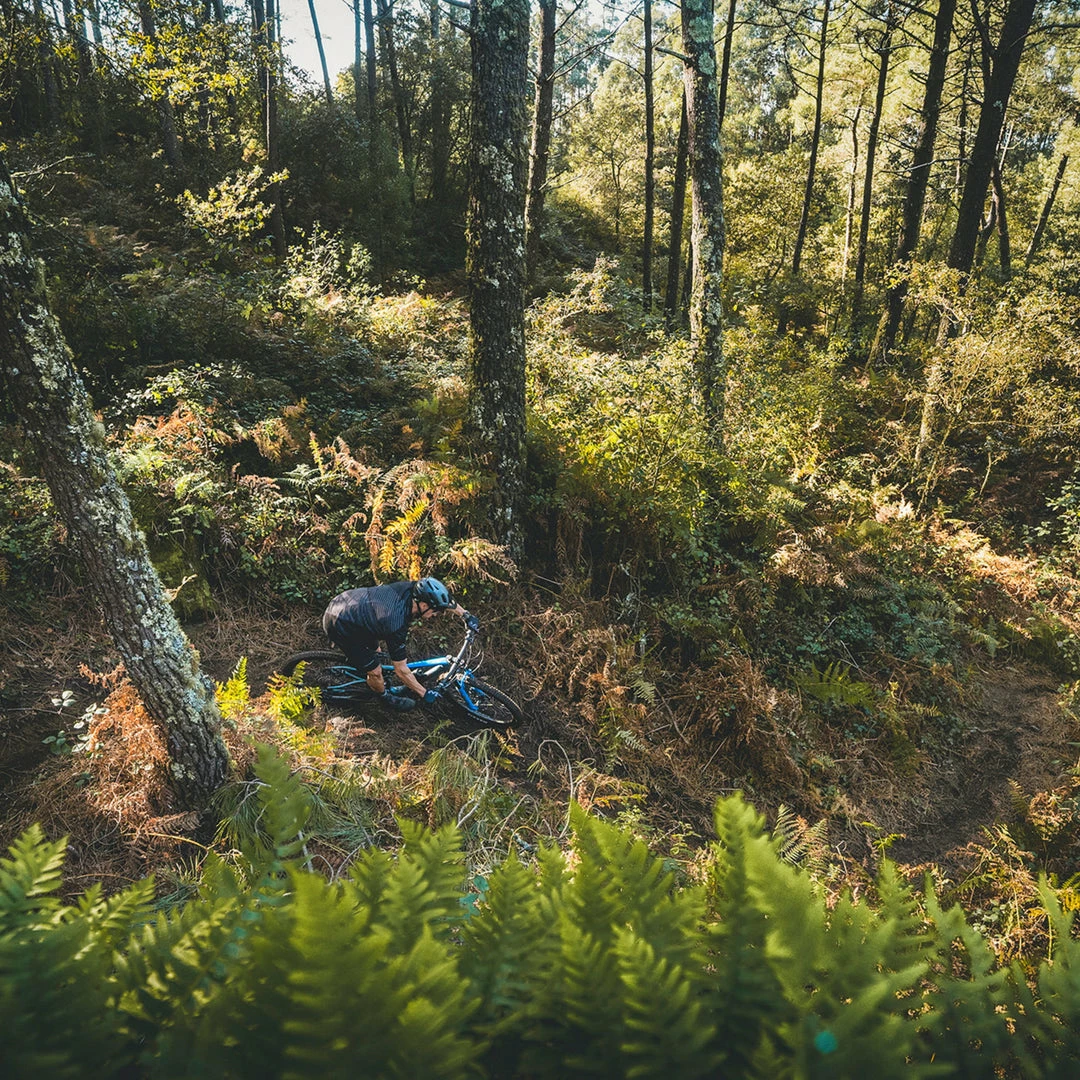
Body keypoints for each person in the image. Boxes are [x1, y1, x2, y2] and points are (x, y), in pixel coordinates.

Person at [321, 576, 479, 712]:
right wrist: (424, 693)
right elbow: (401, 670)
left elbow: (441, 600)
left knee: (377, 650)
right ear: (424, 606)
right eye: (435, 611)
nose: (436, 615)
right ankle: (384, 697)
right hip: (340, 623)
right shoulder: (395, 623)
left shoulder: (412, 590)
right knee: (375, 671)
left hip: (351, 606)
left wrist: (465, 615)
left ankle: (373, 676)